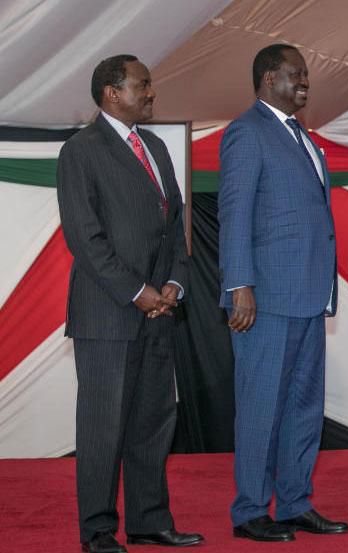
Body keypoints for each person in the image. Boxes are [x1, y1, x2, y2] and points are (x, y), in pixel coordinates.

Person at [56, 55, 203, 552]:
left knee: (152, 424)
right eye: (143, 85)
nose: (151, 93)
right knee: (102, 428)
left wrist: (173, 288)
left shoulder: (157, 148)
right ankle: (98, 532)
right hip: (108, 315)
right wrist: (138, 292)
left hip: (159, 311)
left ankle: (148, 521)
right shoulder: (82, 151)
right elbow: (85, 238)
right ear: (111, 93)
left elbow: (175, 228)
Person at [217, 44, 348, 542]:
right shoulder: (247, 132)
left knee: (303, 407)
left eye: (307, 75)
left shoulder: (303, 139)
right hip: (264, 300)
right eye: (297, 75)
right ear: (270, 78)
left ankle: (294, 503)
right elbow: (235, 215)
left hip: (309, 296)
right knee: (260, 407)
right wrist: (239, 286)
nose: (306, 83)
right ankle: (250, 510)